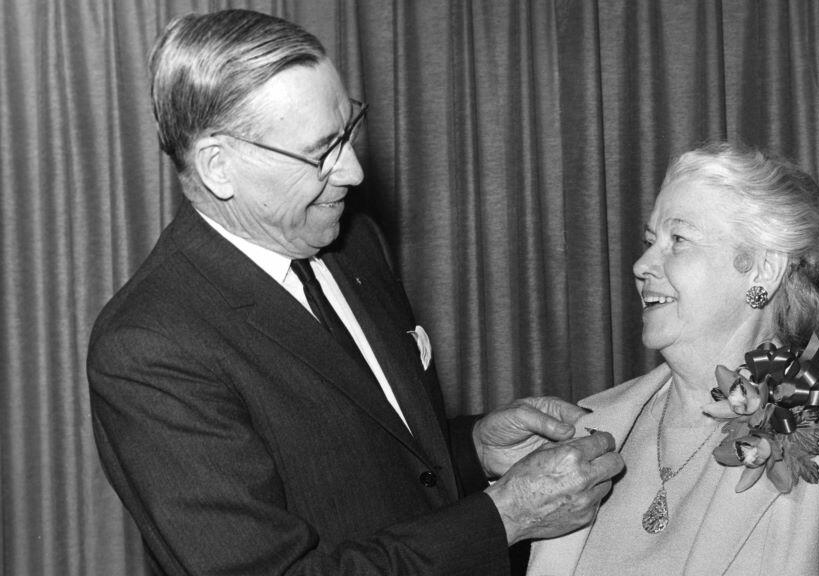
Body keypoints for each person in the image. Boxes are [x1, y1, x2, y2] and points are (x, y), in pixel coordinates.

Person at [87, 9, 623, 576]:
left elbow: (362, 463)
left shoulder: (351, 239)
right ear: (219, 167)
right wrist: (506, 516)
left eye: (348, 131)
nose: (353, 172)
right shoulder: (149, 348)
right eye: (321, 152)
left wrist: (471, 451)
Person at [527, 142, 819, 575]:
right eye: (650, 241)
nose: (642, 264)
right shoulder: (589, 425)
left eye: (677, 240)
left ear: (763, 269)